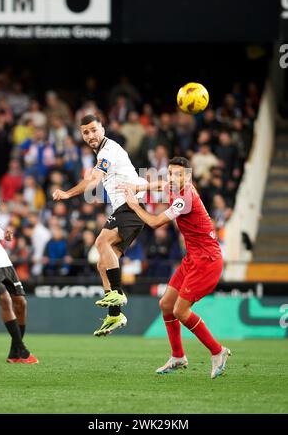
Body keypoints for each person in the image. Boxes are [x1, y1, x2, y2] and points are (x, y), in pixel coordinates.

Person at [122, 157, 231, 379]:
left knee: (181, 311)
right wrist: (137, 186)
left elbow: (154, 223)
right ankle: (178, 356)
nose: (173, 177)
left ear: (187, 176)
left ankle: (217, 351)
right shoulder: (174, 185)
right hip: (193, 257)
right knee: (166, 304)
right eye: (171, 173)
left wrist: (134, 204)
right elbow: (159, 185)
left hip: (207, 260)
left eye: (178, 174)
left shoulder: (185, 199)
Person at [52, 114, 147, 336]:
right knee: (103, 263)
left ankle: (118, 294)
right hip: (126, 209)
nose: (91, 135)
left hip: (130, 206)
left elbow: (93, 180)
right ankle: (115, 314)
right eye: (86, 132)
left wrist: (67, 193)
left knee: (101, 241)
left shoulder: (108, 150)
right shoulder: (102, 152)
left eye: (94, 130)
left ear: (102, 128)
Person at [0, 195, 38, 364]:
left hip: (2, 260)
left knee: (21, 302)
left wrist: (5, 234)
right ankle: (22, 350)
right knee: (5, 300)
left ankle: (14, 352)